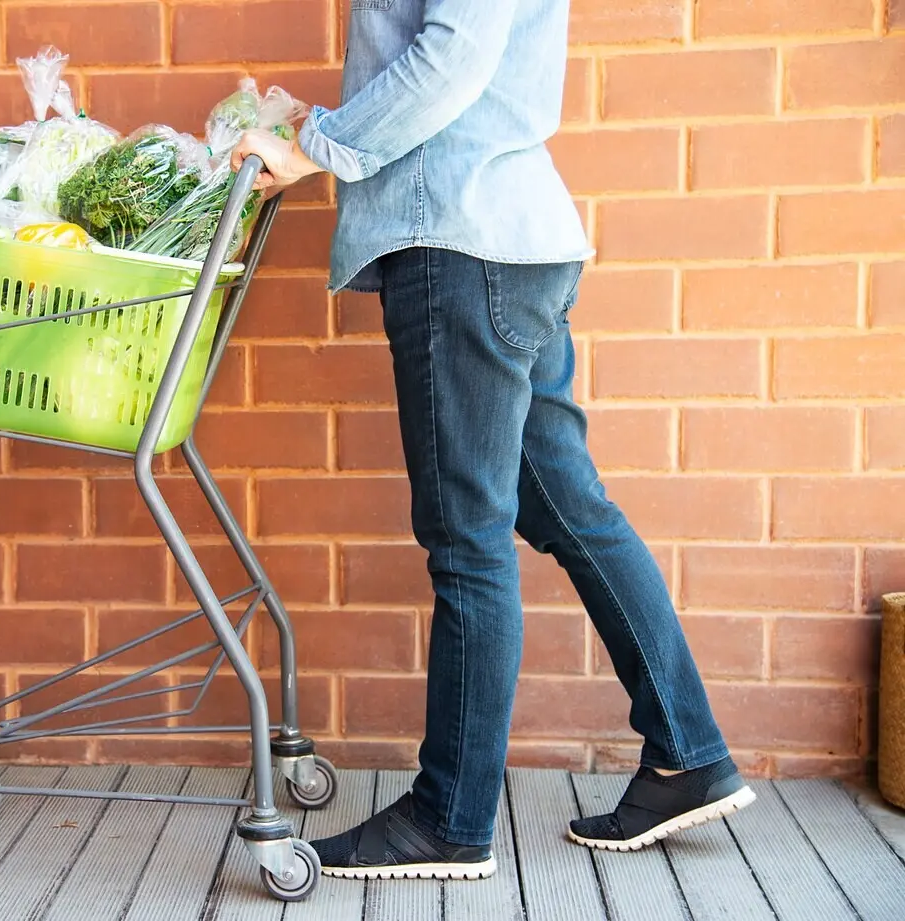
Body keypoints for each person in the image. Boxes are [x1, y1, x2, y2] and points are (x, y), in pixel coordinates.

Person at [232, 0, 755, 882]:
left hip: (463, 245)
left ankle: (450, 818)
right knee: (569, 508)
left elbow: (455, 55)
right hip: (508, 238)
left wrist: (317, 144)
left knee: (468, 540)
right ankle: (686, 752)